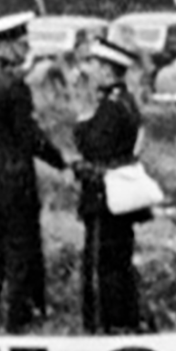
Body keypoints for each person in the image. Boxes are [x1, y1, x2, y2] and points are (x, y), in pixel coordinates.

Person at [0, 11, 67, 333]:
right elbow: (29, 137)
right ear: (7, 46)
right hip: (13, 182)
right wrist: (60, 162)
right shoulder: (14, 86)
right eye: (22, 42)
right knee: (20, 253)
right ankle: (20, 320)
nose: (27, 48)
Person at [70, 38, 148, 332]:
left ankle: (105, 325)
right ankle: (121, 322)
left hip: (105, 196)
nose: (88, 71)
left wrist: (81, 114)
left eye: (93, 64)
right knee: (117, 263)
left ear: (106, 70)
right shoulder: (124, 102)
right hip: (116, 194)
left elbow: (92, 146)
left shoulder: (111, 108)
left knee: (102, 267)